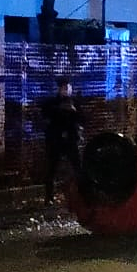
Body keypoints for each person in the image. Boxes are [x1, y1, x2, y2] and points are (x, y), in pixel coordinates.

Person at [41, 77, 84, 206]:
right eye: (63, 88)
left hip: (70, 140)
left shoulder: (74, 102)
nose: (65, 90)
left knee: (77, 167)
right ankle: (49, 196)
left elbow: (82, 119)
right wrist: (60, 110)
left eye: (67, 88)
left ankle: (82, 194)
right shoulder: (52, 103)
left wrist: (74, 111)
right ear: (59, 89)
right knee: (52, 169)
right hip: (56, 141)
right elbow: (46, 116)